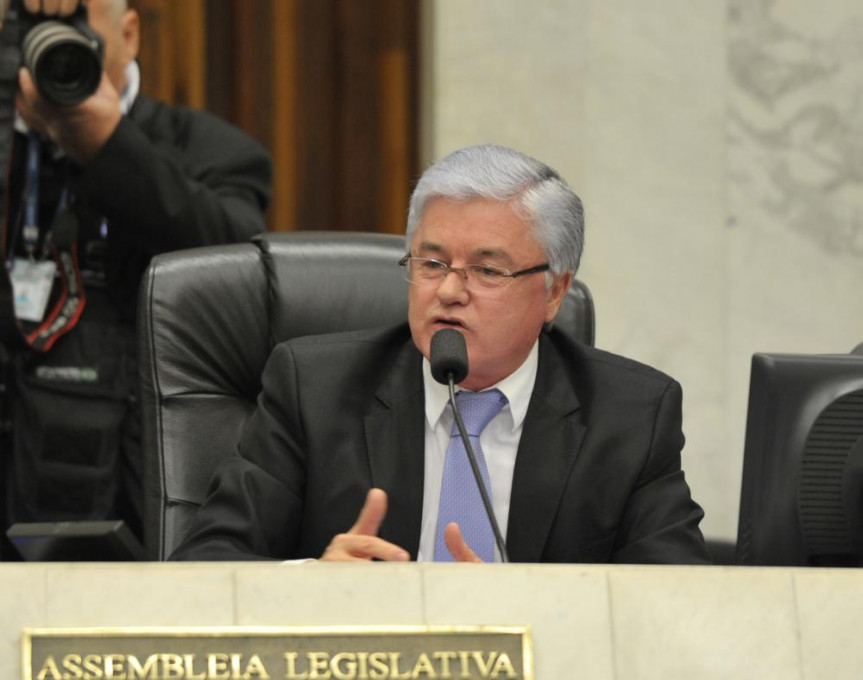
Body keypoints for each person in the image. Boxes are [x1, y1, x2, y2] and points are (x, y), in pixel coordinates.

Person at [171, 144, 710, 565]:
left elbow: (673, 603)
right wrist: (314, 583)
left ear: (553, 292)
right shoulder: (313, 389)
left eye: (487, 270)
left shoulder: (631, 414)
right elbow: (205, 566)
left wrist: (533, 611)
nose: (450, 291)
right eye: (432, 264)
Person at [0, 0, 272, 556]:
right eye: (25, 26)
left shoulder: (210, 150)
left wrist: (107, 144)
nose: (46, 41)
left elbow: (235, 266)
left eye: (75, 22)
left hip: (127, 492)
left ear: (129, 33)